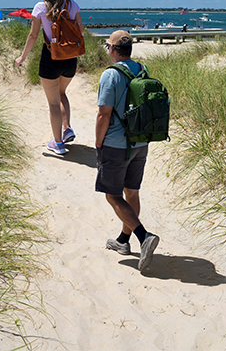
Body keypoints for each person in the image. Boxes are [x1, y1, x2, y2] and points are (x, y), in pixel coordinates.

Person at [95, 30, 160, 273]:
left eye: (108, 46)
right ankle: (123, 240)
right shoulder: (142, 70)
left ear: (112, 49)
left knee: (112, 196)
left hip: (116, 144)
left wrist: (98, 144)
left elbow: (103, 115)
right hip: (140, 141)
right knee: (131, 192)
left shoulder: (110, 75)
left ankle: (144, 237)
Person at [15, 0, 83, 155]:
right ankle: (67, 128)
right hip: (70, 57)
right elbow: (81, 32)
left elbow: (33, 35)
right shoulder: (73, 5)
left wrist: (22, 57)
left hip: (50, 57)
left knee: (53, 103)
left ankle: (58, 143)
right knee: (62, 93)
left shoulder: (40, 8)